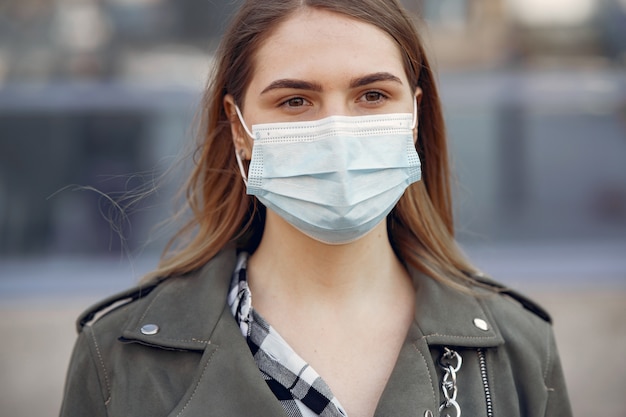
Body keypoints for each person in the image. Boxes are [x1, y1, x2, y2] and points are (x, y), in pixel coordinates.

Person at [60, 1, 573, 416]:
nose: (337, 133)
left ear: (414, 116)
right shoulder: (118, 359)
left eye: (372, 95)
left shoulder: (519, 349)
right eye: (295, 101)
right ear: (240, 129)